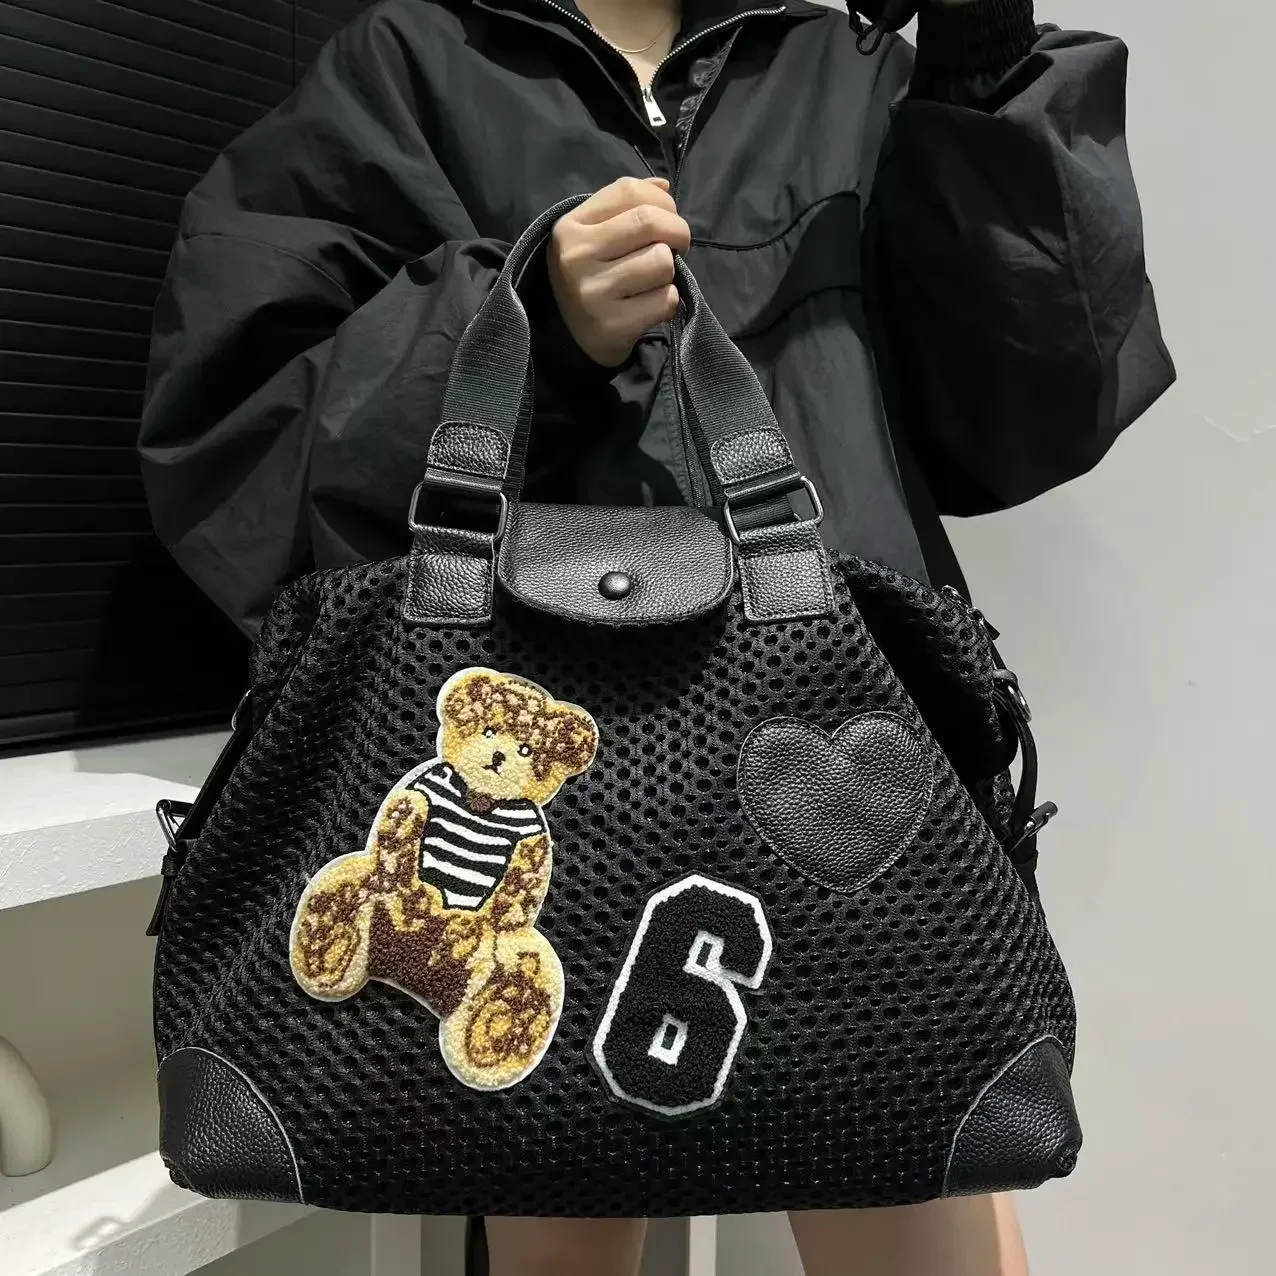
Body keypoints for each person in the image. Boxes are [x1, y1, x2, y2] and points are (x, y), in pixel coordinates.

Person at [139, 0, 1172, 1272]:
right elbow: (234, 442)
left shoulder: (856, 73)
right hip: (541, 778)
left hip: (843, 779)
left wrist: (987, 66)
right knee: (559, 1216)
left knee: (923, 1179)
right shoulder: (409, 66)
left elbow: (1030, 410)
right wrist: (522, 322)